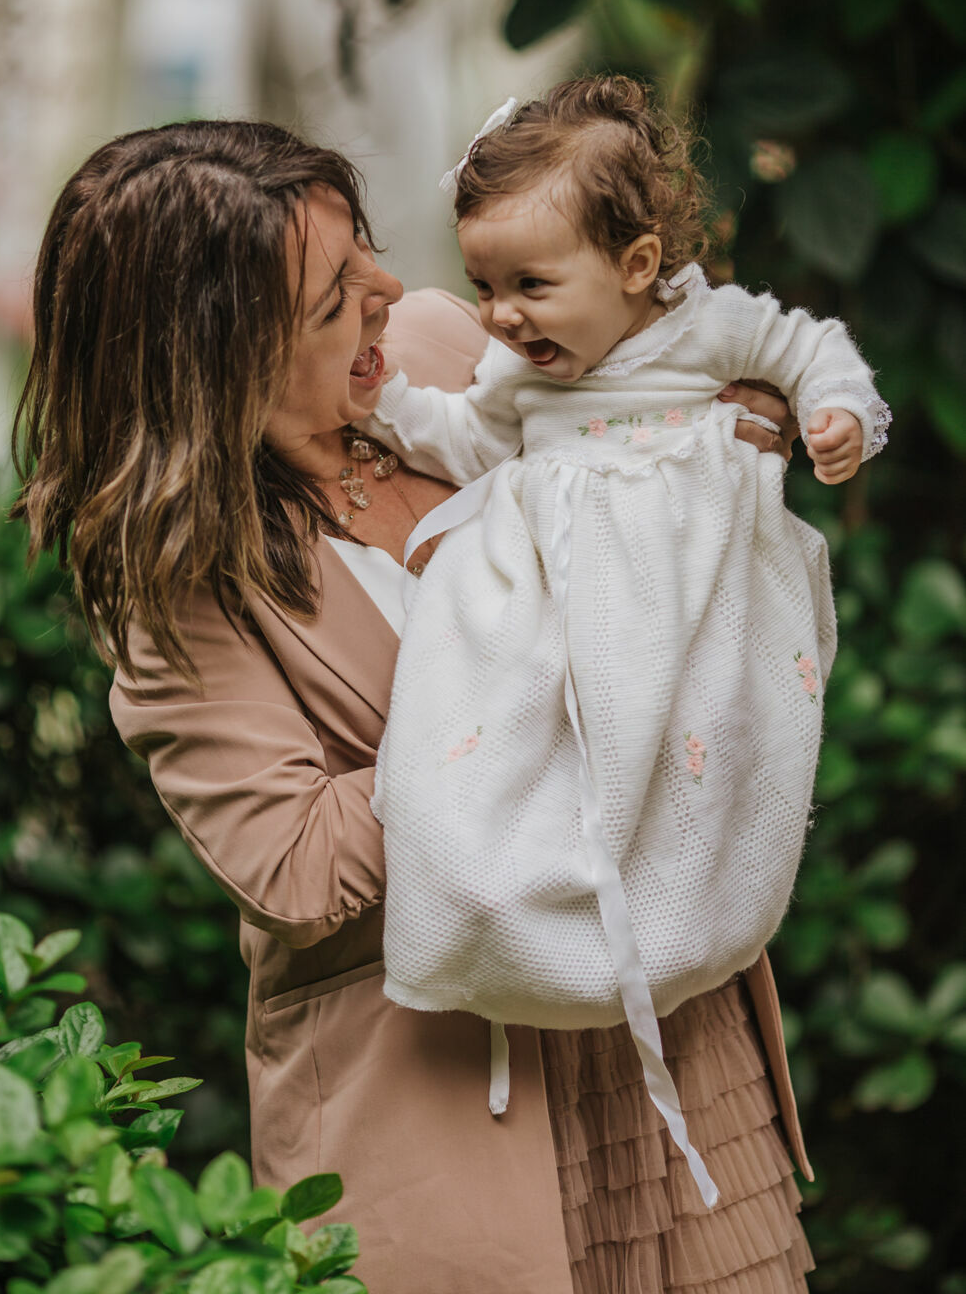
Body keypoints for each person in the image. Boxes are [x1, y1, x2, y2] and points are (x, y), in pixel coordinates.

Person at [12, 116, 816, 1294]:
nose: (389, 292)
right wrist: (516, 707)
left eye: (367, 253)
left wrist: (726, 434)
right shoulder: (182, 584)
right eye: (334, 297)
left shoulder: (446, 350)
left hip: (664, 1019)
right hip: (455, 1102)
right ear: (220, 355)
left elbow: (656, 421)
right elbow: (293, 867)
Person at [362, 77, 890, 1207]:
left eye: (530, 286)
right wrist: (387, 407)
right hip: (563, 612)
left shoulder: (712, 328)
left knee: (692, 770)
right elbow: (469, 440)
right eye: (484, 287)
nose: (501, 318)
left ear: (637, 265)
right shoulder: (516, 373)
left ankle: (682, 921)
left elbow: (813, 348)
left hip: (689, 607)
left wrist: (839, 413)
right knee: (504, 754)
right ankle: (514, 935)